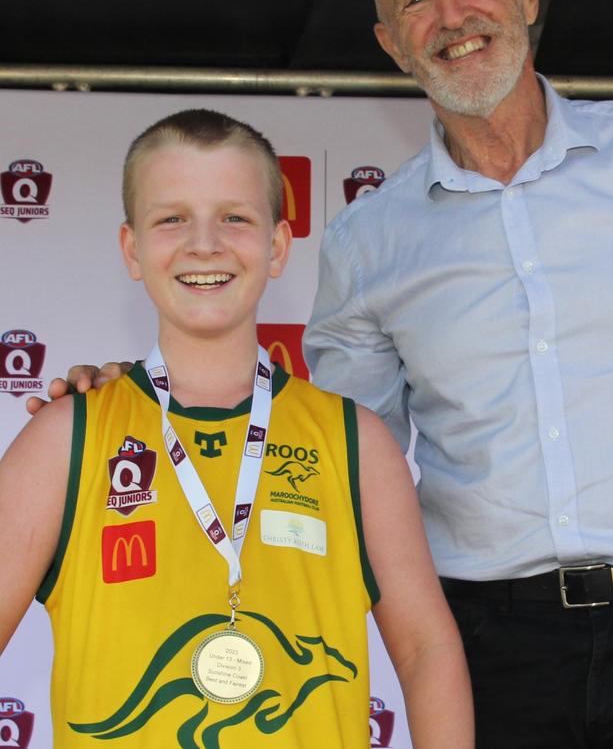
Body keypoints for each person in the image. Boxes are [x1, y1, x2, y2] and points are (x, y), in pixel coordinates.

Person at [26, 0, 613, 748]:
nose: (453, 16)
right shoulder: (367, 241)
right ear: (391, 42)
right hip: (495, 645)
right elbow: (337, 462)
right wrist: (119, 402)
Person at [0, 109, 473, 748]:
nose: (204, 244)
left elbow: (425, 651)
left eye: (235, 217)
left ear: (277, 246)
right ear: (131, 248)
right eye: (171, 219)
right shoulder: (66, 437)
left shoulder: (353, 441)